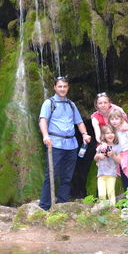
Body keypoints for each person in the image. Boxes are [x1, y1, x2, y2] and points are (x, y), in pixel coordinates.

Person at [39, 76, 91, 210]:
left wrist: (84, 134)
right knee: (51, 175)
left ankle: (61, 204)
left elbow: (79, 122)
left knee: (67, 176)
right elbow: (43, 120)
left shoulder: (71, 105)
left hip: (71, 144)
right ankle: (45, 206)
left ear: (68, 88)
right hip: (55, 143)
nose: (62, 89)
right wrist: (45, 135)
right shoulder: (49, 103)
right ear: (55, 88)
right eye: (60, 86)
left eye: (65, 86)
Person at [70, 92, 128, 199]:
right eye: (100, 103)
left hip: (119, 142)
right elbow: (97, 132)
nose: (103, 105)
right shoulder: (95, 117)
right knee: (103, 170)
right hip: (104, 142)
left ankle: (126, 194)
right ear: (96, 105)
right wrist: (103, 143)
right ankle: (101, 198)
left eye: (105, 102)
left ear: (110, 103)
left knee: (124, 166)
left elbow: (125, 125)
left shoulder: (117, 111)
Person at [94, 125, 120, 205]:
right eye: (107, 133)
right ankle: (103, 208)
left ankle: (112, 209)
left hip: (111, 174)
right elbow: (95, 158)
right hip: (101, 174)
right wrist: (98, 156)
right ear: (103, 135)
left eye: (112, 133)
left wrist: (113, 155)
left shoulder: (116, 147)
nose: (110, 135)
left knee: (111, 192)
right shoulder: (100, 147)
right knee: (101, 194)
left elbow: (119, 160)